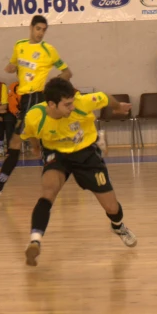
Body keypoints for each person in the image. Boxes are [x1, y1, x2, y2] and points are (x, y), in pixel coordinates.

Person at [21, 78, 137, 266]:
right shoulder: (34, 116)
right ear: (51, 104)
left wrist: (118, 107)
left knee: (112, 208)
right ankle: (35, 241)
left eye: (72, 101)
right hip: (57, 154)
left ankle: (118, 226)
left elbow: (105, 97)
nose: (72, 107)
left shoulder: (82, 103)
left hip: (86, 154)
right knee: (47, 192)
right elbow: (31, 134)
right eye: (67, 104)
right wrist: (36, 148)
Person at [0, 15, 72, 197]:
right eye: (38, 29)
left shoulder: (49, 50)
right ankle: (54, 176)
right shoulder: (19, 46)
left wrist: (52, 87)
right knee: (36, 142)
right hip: (25, 99)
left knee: (16, 142)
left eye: (44, 30)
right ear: (31, 28)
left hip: (36, 98)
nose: (41, 33)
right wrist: (11, 68)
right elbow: (13, 65)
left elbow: (67, 72)